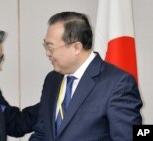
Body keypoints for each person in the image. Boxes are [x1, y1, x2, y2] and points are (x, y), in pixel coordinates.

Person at [29, 11, 142, 141]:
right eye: (46, 46)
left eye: (51, 48)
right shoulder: (52, 79)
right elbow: (42, 133)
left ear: (76, 47)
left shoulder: (118, 83)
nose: (47, 54)